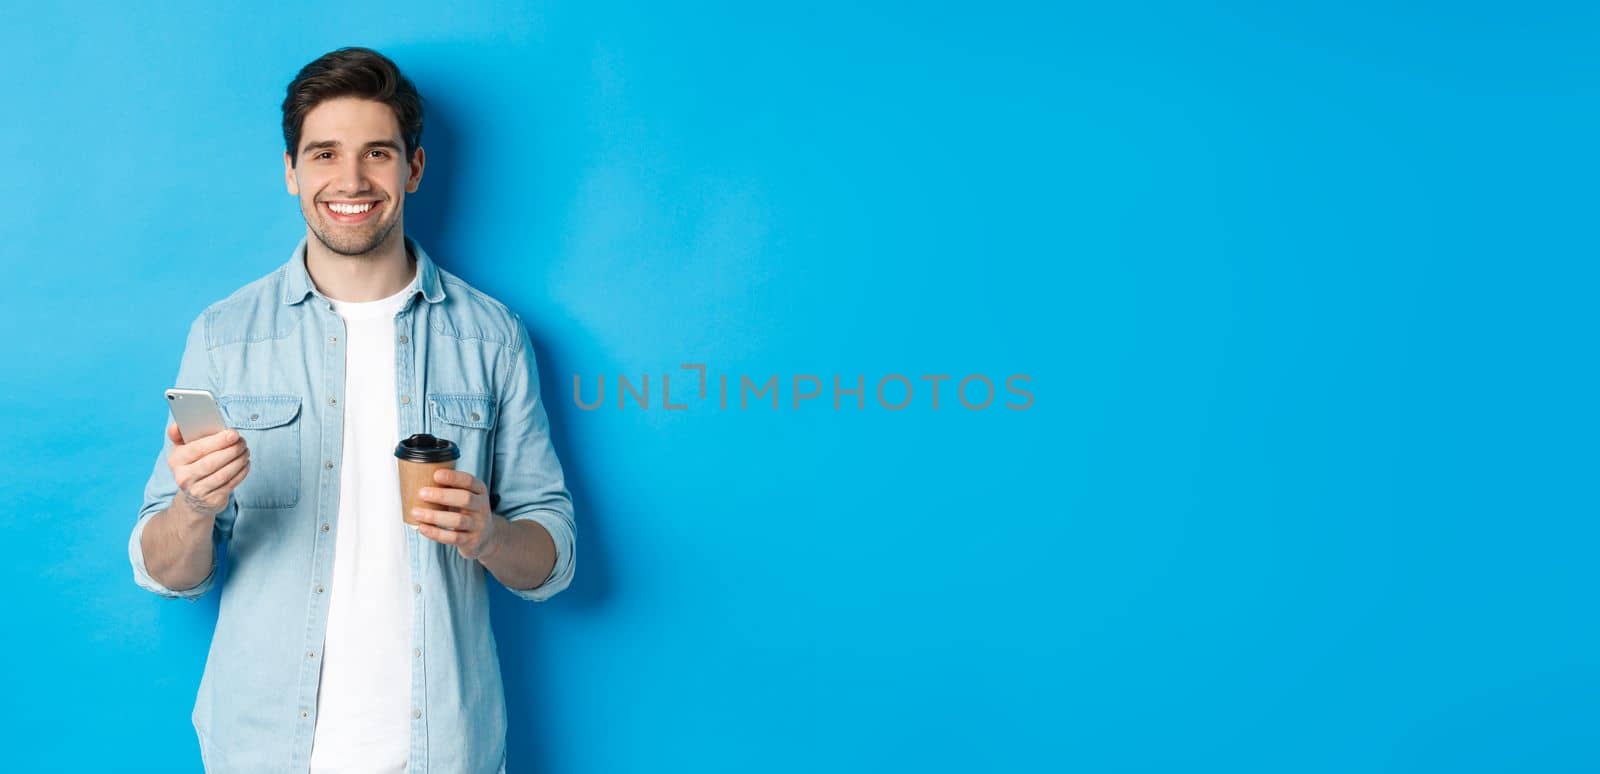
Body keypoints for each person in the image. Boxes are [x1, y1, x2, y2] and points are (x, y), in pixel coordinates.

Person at [128, 46, 576, 774]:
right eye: (324, 153)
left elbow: (551, 558)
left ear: (414, 169)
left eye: (377, 153)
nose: (350, 180)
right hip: (261, 751)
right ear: (291, 172)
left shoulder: (492, 336)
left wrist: (489, 534)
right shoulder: (224, 335)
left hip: (446, 752)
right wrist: (194, 507)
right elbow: (162, 567)